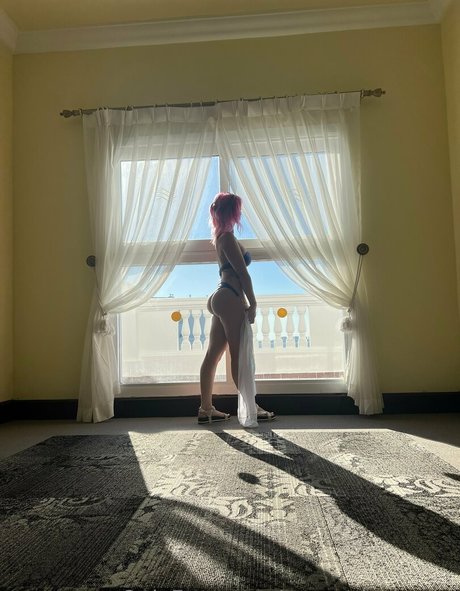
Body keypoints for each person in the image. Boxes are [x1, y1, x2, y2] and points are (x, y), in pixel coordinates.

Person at [198, 192, 275, 425]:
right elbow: (242, 274)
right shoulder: (228, 238)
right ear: (233, 212)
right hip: (230, 296)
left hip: (221, 295)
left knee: (213, 355)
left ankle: (206, 409)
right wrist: (253, 303)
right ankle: (251, 408)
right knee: (239, 355)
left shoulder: (220, 237)